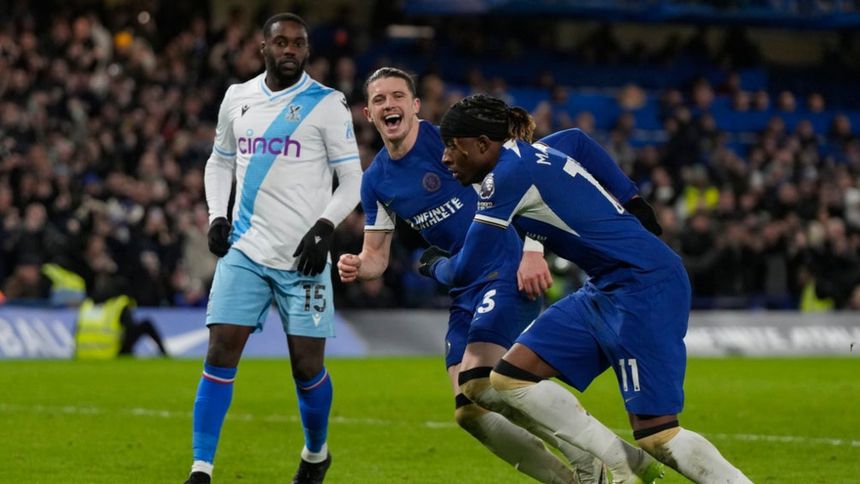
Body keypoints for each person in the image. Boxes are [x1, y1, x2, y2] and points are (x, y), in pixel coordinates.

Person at [338, 68, 659, 483]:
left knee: (487, 379)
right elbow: (376, 258)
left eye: (397, 96)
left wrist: (532, 250)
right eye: (379, 99)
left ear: (415, 105)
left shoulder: (455, 140)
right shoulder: (376, 181)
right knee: (469, 409)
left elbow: (530, 177)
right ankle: (576, 476)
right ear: (368, 113)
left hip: (507, 266)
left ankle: (605, 461)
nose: (389, 105)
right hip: (465, 285)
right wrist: (358, 265)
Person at [423, 94, 751, 483]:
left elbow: (466, 269)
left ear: (481, 143)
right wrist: (632, 198)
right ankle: (626, 465)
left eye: (452, 146)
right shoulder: (534, 152)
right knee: (510, 376)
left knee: (658, 433)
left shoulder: (504, 177)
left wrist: (434, 265)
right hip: (604, 286)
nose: (446, 158)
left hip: (644, 287)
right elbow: (578, 140)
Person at [184, 13, 361, 484]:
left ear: (307, 50)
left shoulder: (327, 104)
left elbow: (353, 180)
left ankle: (316, 453)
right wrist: (217, 215)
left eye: (298, 44)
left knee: (307, 367)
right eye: (281, 42)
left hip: (304, 257)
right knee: (220, 351)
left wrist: (324, 228)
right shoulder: (237, 98)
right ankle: (201, 469)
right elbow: (219, 162)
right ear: (263, 47)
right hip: (245, 249)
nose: (289, 50)